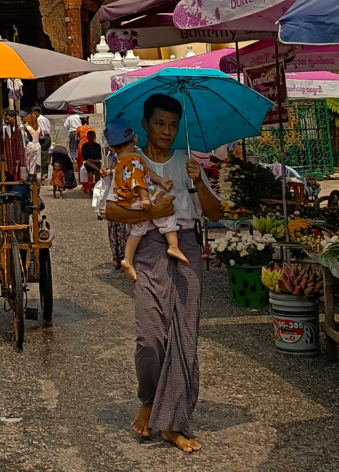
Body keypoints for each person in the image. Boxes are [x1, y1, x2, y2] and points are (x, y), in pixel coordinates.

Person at [105, 95, 221, 453]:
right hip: (148, 245)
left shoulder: (187, 163)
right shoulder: (131, 162)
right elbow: (111, 211)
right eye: (159, 124)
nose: (167, 131)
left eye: (173, 125)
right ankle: (150, 398)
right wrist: (150, 212)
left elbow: (215, 213)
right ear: (145, 125)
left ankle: (174, 423)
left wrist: (198, 182)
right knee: (150, 336)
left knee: (185, 336)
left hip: (186, 244)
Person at [107, 119, 188, 281]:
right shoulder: (134, 160)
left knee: (137, 230)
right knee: (166, 215)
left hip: (125, 201)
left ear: (112, 148)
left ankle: (127, 259)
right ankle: (173, 245)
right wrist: (145, 198)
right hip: (138, 198)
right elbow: (139, 180)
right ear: (135, 138)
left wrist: (160, 180)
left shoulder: (120, 162)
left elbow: (146, 171)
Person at [80, 129, 103, 197]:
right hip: (88, 165)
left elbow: (99, 157)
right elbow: (85, 158)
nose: (90, 138)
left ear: (94, 137)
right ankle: (99, 170)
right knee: (87, 163)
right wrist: (93, 161)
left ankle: (96, 187)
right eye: (89, 136)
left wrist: (93, 161)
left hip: (96, 164)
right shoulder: (84, 146)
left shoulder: (98, 146)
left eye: (91, 136)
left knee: (96, 172)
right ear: (87, 137)